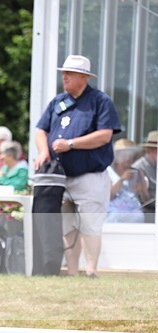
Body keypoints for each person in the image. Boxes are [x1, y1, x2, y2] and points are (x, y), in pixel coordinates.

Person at [34, 54, 121, 279]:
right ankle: (72, 272)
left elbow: (104, 135)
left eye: (69, 74)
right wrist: (44, 150)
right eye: (64, 73)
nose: (64, 77)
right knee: (67, 226)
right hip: (61, 176)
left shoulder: (100, 101)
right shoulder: (58, 102)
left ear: (83, 77)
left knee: (90, 224)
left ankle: (91, 271)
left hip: (89, 175)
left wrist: (71, 144)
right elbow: (41, 130)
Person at [106, 138, 145, 224]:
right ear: (116, 156)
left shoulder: (136, 172)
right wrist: (122, 179)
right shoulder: (108, 171)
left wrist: (142, 187)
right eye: (124, 155)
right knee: (115, 215)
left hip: (133, 212)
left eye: (130, 155)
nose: (127, 159)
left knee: (139, 215)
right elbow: (108, 196)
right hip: (112, 214)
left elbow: (146, 198)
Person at [132, 130, 157, 222]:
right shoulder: (138, 167)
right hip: (148, 213)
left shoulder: (155, 166)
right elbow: (143, 198)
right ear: (153, 150)